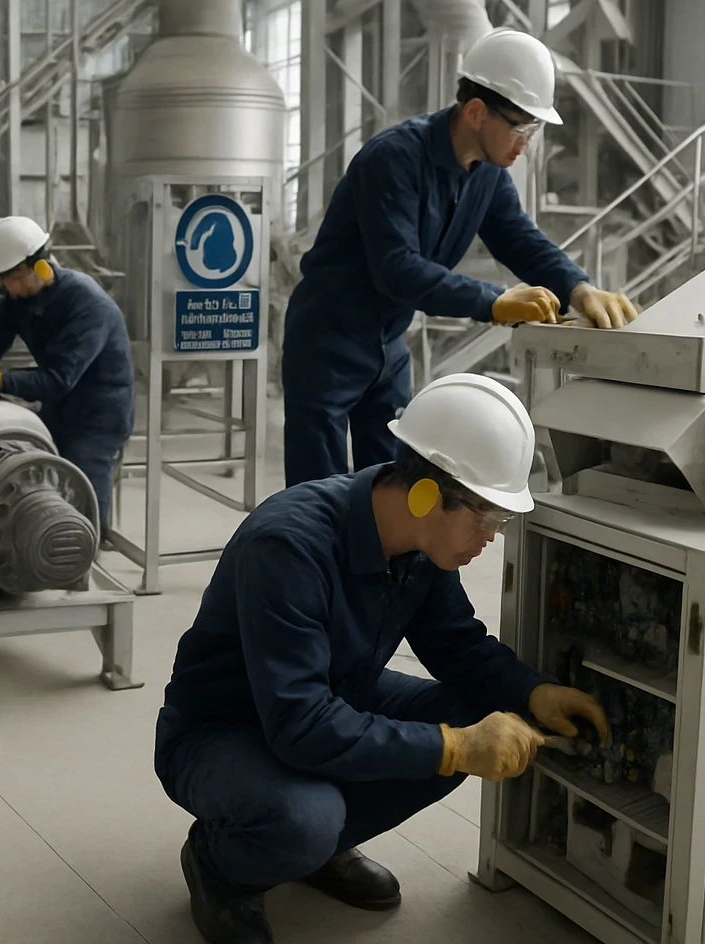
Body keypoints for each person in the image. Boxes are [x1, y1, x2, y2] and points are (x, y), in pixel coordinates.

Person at [154, 374, 610, 944]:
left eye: (500, 520)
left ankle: (315, 850)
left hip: (331, 699)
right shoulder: (289, 546)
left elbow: (458, 645)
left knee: (473, 713)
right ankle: (220, 863)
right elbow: (299, 723)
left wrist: (534, 692)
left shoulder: (422, 547)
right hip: (221, 730)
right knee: (309, 818)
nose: (492, 536)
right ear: (424, 495)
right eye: (485, 517)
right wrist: (455, 747)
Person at [280, 27, 638, 488]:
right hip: (328, 342)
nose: (526, 142)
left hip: (388, 347)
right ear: (475, 112)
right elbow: (397, 268)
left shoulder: (486, 175)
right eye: (522, 127)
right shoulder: (392, 160)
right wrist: (492, 301)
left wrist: (578, 288)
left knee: (389, 487)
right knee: (318, 495)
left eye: (534, 129)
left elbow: (519, 238)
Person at [0, 216, 135, 534]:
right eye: (3, 279)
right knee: (45, 476)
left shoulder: (87, 306)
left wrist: (1, 380)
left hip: (98, 415)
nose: (9, 287)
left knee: (84, 491)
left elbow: (58, 377)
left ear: (41, 266)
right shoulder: (19, 298)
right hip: (61, 405)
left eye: (14, 277)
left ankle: (87, 556)